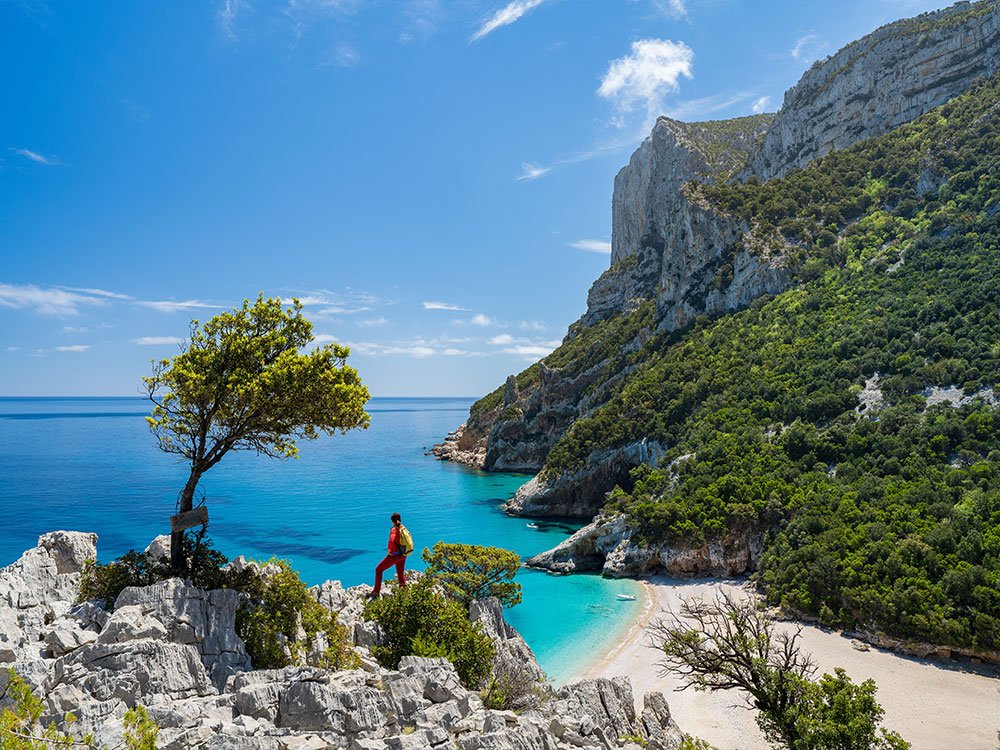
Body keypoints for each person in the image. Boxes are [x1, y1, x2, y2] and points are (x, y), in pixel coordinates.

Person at [368, 512, 409, 598]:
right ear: (400, 520)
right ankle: (404, 592)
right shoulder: (403, 528)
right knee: (400, 572)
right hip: (404, 554)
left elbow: (391, 540)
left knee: (378, 570)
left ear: (392, 521)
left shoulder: (394, 529)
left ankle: (376, 592)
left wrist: (389, 551)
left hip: (395, 555)